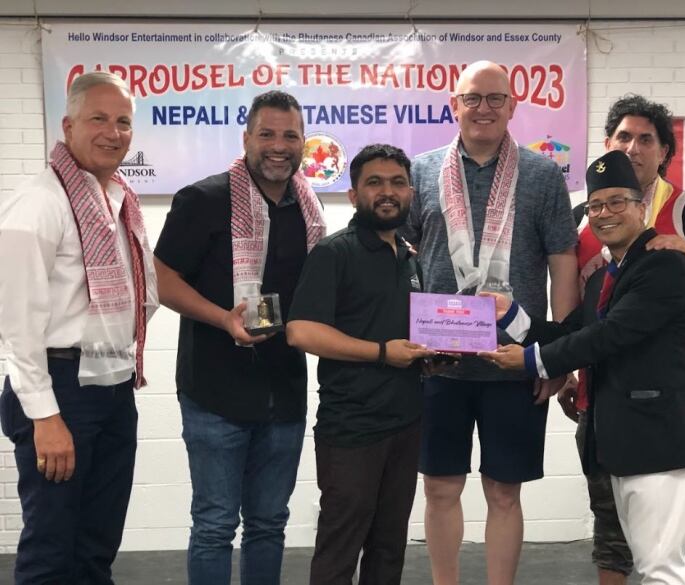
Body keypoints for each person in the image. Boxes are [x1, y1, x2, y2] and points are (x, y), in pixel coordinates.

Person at [481, 150, 685, 585]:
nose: (604, 214)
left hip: (658, 440)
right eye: (595, 206)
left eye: (617, 202)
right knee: (647, 560)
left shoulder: (664, 265)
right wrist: (510, 315)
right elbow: (573, 331)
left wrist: (530, 360)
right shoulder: (607, 275)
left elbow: (609, 336)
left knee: (662, 569)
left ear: (641, 206)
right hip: (621, 439)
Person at [400, 60, 579, 584]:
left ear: (513, 106)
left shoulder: (543, 175)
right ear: (453, 104)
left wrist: (560, 354)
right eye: (473, 98)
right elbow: (401, 255)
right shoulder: (420, 171)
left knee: (505, 491)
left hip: (516, 361)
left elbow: (563, 267)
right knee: (439, 487)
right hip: (439, 363)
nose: (484, 109)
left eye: (495, 98)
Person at [153, 90, 326, 585]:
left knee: (270, 525)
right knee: (214, 525)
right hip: (214, 392)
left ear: (303, 142)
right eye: (267, 134)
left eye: (290, 135)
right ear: (246, 137)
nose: (278, 145)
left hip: (284, 393)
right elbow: (162, 281)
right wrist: (222, 318)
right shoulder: (203, 200)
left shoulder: (309, 211)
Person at [559, 95, 685, 585]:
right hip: (601, 380)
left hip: (675, 384)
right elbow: (572, 307)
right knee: (609, 519)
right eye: (623, 137)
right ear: (607, 145)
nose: (633, 147)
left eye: (646, 139)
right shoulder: (584, 214)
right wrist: (569, 370)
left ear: (663, 152)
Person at [0, 71, 158, 584]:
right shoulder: (40, 202)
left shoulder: (118, 200)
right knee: (51, 549)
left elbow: (139, 292)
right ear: (68, 125)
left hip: (112, 384)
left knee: (96, 545)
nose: (113, 132)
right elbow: (16, 321)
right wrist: (44, 415)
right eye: (98, 119)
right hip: (60, 387)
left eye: (124, 122)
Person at [287, 144, 436, 585]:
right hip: (351, 429)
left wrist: (432, 356)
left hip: (405, 424)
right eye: (374, 183)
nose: (387, 192)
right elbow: (301, 331)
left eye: (397, 182)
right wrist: (383, 353)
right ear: (353, 195)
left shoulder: (410, 259)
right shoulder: (335, 253)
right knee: (339, 550)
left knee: (389, 550)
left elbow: (408, 332)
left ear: (410, 192)